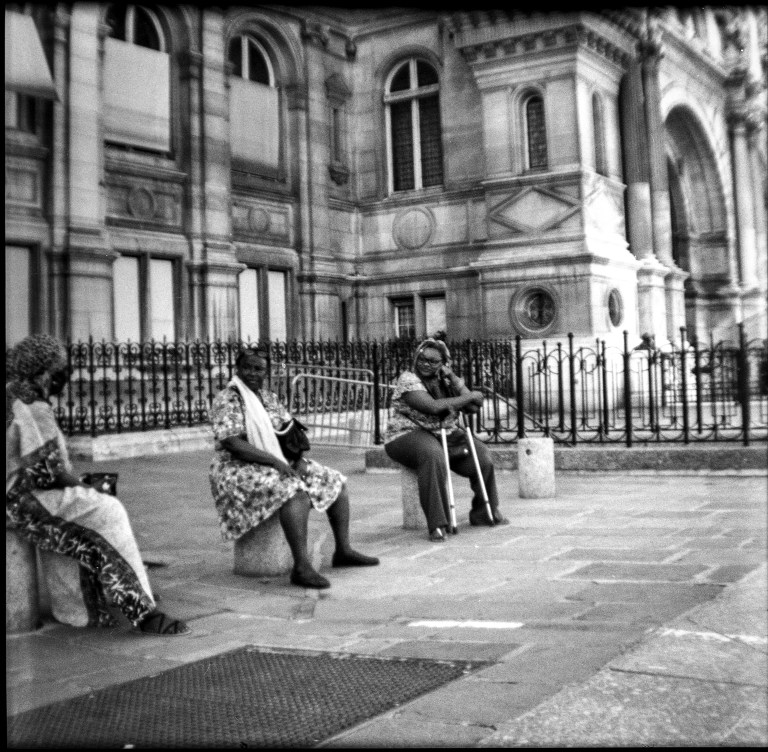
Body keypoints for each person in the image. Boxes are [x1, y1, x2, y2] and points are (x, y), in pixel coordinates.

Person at [5, 334, 190, 636]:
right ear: (46, 373)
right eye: (63, 369)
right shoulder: (33, 404)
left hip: (19, 493)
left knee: (88, 504)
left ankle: (81, 606)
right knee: (108, 509)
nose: (68, 375)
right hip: (20, 500)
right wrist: (88, 488)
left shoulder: (14, 393)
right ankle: (143, 611)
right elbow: (47, 473)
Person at [208, 348, 379, 589]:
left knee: (334, 480)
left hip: (274, 460)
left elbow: (289, 432)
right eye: (247, 367)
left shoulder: (268, 398)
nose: (252, 373)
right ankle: (301, 566)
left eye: (258, 368)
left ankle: (343, 550)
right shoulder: (228, 398)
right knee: (293, 491)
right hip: (237, 467)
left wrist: (297, 459)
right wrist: (276, 462)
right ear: (237, 369)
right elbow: (232, 442)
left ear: (266, 372)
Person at [384, 338, 509, 541]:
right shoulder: (408, 379)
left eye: (433, 362)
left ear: (443, 364)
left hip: (446, 434)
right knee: (432, 454)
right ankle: (438, 524)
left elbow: (473, 407)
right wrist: (470, 396)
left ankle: (484, 512)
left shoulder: (445, 380)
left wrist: (455, 379)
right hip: (406, 434)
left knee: (482, 454)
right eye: (422, 359)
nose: (426, 364)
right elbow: (434, 407)